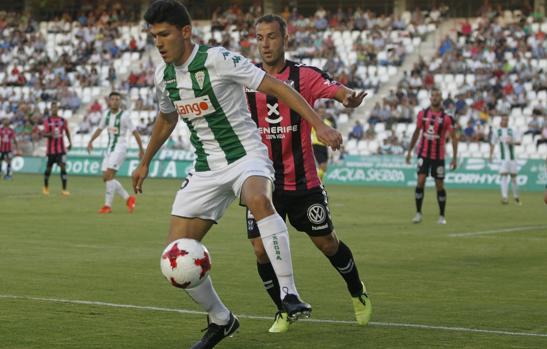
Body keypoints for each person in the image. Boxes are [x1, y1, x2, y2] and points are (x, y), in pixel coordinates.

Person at [131, 2, 342, 348]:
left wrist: (320, 124)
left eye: (164, 34)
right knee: (176, 253)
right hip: (205, 168)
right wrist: (145, 160)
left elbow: (276, 87)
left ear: (186, 32)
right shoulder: (163, 76)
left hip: (246, 155)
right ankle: (221, 319)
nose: (159, 42)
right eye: (154, 36)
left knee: (259, 197)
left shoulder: (218, 60)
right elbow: (167, 118)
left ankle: (288, 293)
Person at [245, 14, 371, 333]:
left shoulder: (304, 75)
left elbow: (335, 89)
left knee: (327, 243)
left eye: (272, 36)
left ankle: (357, 292)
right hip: (263, 184)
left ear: (285, 39)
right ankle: (284, 309)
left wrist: (348, 98)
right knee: (261, 249)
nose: (265, 44)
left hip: (303, 183)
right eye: (259, 38)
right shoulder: (244, 78)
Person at [406, 87, 458, 224]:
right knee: (420, 181)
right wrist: (409, 151)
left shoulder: (446, 118)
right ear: (430, 98)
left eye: (437, 96)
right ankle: (418, 213)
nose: (435, 98)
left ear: (441, 99)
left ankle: (442, 215)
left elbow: (453, 137)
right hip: (423, 154)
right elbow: (416, 132)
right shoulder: (422, 114)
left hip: (438, 156)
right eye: (433, 95)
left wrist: (454, 158)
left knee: (439, 185)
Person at [87, 92, 144, 214]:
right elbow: (99, 129)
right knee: (106, 178)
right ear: (109, 101)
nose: (115, 101)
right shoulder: (106, 114)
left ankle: (107, 206)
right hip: (109, 148)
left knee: (109, 176)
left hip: (120, 148)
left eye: (117, 99)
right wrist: (91, 141)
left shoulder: (125, 116)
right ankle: (128, 199)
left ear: (120, 102)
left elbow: (135, 132)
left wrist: (141, 149)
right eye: (112, 99)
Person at [489, 116, 522, 205]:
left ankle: (516, 197)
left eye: (506, 120)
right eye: (503, 119)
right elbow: (492, 143)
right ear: (501, 120)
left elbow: (519, 142)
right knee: (503, 176)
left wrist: (512, 142)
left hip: (512, 158)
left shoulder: (513, 130)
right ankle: (505, 198)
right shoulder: (497, 131)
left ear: (508, 121)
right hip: (502, 158)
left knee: (514, 178)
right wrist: (490, 155)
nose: (505, 121)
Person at [42, 102, 72, 196]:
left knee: (63, 167)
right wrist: (50, 134)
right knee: (48, 169)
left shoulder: (63, 120)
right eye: (53, 108)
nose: (54, 109)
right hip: (51, 150)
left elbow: (67, 131)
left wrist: (70, 142)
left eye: (56, 108)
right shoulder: (47, 121)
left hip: (61, 150)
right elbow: (44, 134)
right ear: (51, 109)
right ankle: (46, 188)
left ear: (58, 109)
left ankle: (64, 189)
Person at [311, 111, 336, 181]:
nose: (321, 114)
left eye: (322, 112)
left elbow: (332, 131)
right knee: (322, 166)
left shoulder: (328, 123)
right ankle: (317, 182)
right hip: (317, 145)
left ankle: (319, 182)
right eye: (320, 112)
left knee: (324, 168)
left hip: (324, 146)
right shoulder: (314, 123)